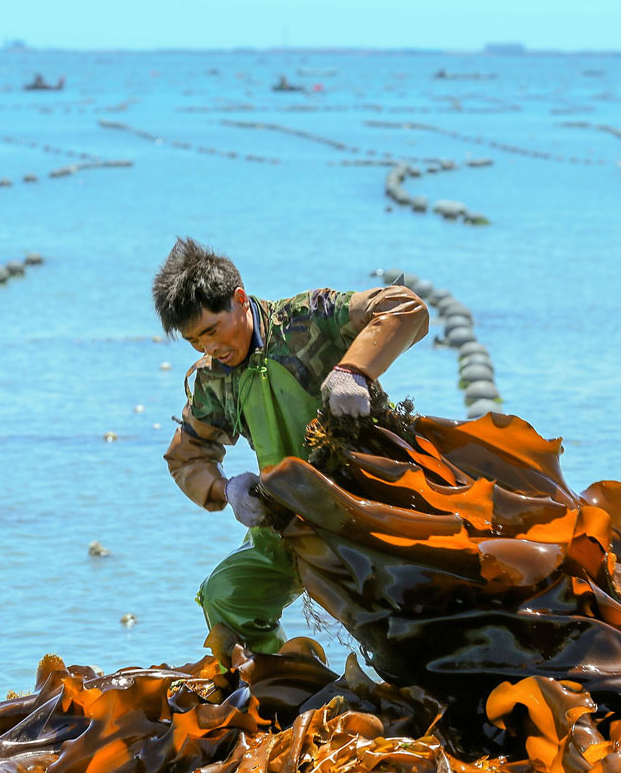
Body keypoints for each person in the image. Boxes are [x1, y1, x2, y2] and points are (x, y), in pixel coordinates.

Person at [152, 238, 429, 661]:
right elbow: (187, 456)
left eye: (212, 331)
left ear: (239, 300)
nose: (210, 349)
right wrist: (226, 490)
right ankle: (280, 687)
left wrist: (353, 371)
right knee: (225, 596)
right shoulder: (213, 380)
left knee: (406, 627)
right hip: (290, 520)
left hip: (372, 502)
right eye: (195, 342)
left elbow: (404, 307)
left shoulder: (307, 318)